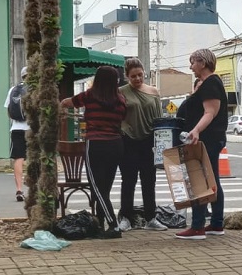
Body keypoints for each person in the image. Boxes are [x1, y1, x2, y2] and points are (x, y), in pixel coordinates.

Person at [60, 66, 127, 238]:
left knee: (97, 188)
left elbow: (69, 102)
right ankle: (99, 223)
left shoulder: (90, 95)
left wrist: (61, 106)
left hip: (96, 144)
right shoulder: (120, 99)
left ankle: (114, 226)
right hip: (116, 145)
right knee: (105, 187)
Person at [174, 48, 228, 240]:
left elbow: (210, 112)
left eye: (193, 62)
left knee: (199, 180)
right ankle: (216, 223)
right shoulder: (208, 83)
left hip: (207, 139)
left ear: (202, 63)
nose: (191, 67)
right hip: (210, 138)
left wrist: (196, 130)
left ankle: (197, 226)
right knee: (212, 180)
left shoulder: (211, 83)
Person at [117, 57, 168, 232]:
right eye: (133, 76)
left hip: (149, 141)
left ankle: (150, 218)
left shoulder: (153, 91)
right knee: (128, 180)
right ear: (127, 77)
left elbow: (159, 118)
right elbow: (118, 116)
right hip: (129, 140)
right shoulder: (121, 92)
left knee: (149, 180)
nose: (137, 79)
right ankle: (126, 217)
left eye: (140, 75)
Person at [3, 66, 29, 202]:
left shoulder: (13, 90)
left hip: (16, 129)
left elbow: (8, 111)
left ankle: (19, 189)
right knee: (36, 158)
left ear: (22, 75)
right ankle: (35, 186)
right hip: (32, 129)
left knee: (19, 158)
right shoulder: (36, 90)